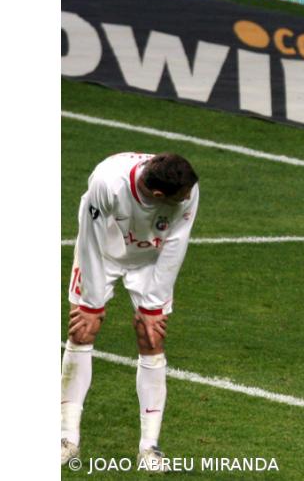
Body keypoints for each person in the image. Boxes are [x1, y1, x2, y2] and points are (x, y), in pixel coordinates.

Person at [61, 152, 200, 470]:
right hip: (102, 253)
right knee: (82, 331)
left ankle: (149, 449)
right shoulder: (107, 183)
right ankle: (66, 439)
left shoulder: (188, 186)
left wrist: (153, 307)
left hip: (151, 258)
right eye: (182, 197)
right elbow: (89, 239)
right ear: (159, 195)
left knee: (152, 338)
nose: (188, 198)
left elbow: (177, 243)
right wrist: (91, 303)